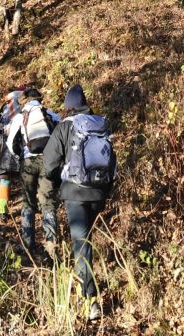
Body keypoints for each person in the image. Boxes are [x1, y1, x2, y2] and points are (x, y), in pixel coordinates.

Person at [43, 84, 116, 322]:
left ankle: (90, 301)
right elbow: (111, 162)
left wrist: (58, 183)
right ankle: (91, 280)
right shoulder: (99, 125)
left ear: (67, 107)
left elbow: (49, 164)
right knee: (87, 241)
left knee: (81, 246)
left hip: (74, 194)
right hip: (98, 193)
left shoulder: (65, 127)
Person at [6, 87, 60, 257]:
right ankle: (51, 244)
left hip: (28, 162)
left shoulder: (20, 117)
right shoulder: (50, 113)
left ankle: (28, 243)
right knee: (48, 201)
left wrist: (21, 156)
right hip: (48, 160)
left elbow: (10, 144)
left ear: (24, 101)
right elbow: (61, 133)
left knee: (28, 202)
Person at [0, 86, 25, 223]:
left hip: (6, 151)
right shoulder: (26, 106)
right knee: (26, 180)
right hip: (22, 151)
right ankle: (29, 207)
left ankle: (2, 211)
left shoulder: (5, 110)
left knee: (4, 180)